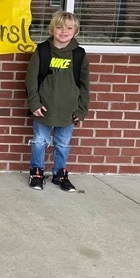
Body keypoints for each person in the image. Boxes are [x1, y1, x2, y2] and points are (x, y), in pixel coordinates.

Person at [25, 10, 90, 192]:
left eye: (69, 28)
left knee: (62, 144)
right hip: (44, 108)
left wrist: (81, 110)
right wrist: (34, 103)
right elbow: (31, 79)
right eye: (59, 27)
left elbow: (85, 85)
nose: (64, 31)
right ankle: (36, 172)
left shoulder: (78, 55)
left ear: (75, 31)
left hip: (68, 110)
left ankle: (59, 174)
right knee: (39, 141)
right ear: (52, 29)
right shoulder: (43, 51)